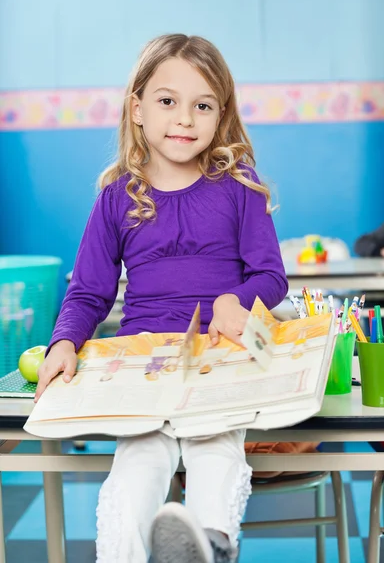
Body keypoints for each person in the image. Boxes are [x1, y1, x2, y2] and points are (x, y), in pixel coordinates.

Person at [34, 34, 288, 563]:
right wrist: (64, 341)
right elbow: (88, 291)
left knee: (214, 451)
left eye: (202, 106)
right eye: (168, 101)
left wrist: (233, 300)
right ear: (138, 108)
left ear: (221, 116)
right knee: (135, 471)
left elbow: (270, 276)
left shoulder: (240, 185)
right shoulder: (117, 197)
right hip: (144, 371)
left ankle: (210, 547)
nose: (185, 119)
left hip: (221, 361)